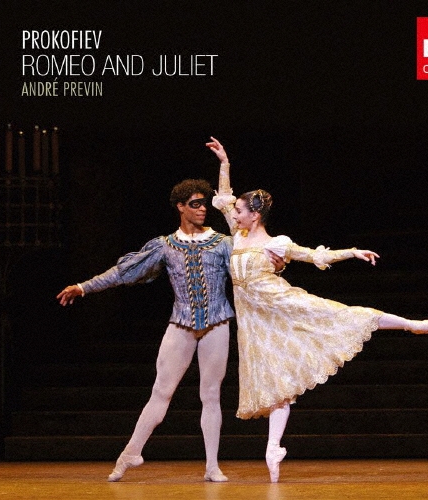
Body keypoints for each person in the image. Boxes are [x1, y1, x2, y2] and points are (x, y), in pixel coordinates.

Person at [206, 137, 428, 483]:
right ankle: (273, 449)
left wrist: (352, 251)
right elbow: (225, 198)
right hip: (256, 321)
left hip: (282, 304)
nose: (234, 214)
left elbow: (314, 255)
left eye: (241, 211)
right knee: (276, 382)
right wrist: (224, 163)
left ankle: (412, 324)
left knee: (343, 315)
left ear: (254, 215)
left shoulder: (277, 244)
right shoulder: (239, 235)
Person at [57, 166, 284, 482]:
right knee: (161, 391)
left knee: (211, 395)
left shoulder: (222, 243)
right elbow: (123, 272)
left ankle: (212, 465)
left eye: (204, 203)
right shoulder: (165, 245)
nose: (202, 209)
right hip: (181, 324)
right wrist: (84, 287)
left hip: (217, 323)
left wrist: (277, 264)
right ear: (180, 207)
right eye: (195, 204)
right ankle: (130, 453)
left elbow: (252, 264)